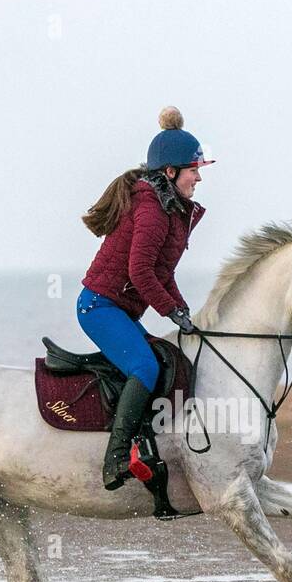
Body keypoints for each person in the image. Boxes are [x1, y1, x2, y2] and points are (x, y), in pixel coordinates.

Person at [78, 105, 212, 490]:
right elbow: (140, 273)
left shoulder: (168, 207)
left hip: (119, 308)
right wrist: (171, 311)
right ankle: (115, 459)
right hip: (98, 306)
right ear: (170, 173)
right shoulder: (151, 209)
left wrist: (183, 310)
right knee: (146, 367)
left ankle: (142, 443)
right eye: (193, 170)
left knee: (161, 361)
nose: (199, 177)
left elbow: (161, 274)